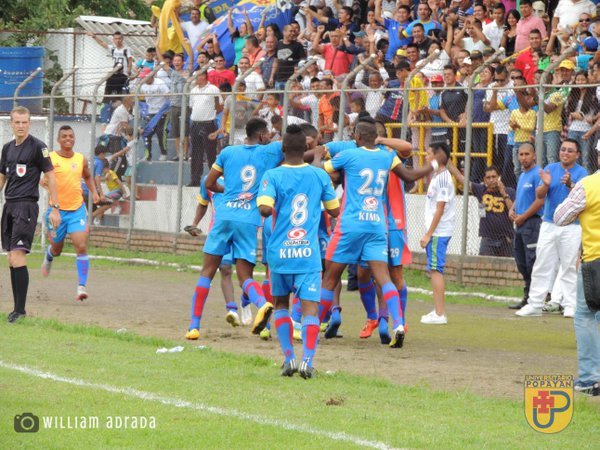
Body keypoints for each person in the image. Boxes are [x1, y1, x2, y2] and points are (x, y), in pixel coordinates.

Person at [320, 119, 433, 348]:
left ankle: (311, 323)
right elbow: (409, 177)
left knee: (330, 277)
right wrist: (432, 166)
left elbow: (324, 171)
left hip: (350, 225)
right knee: (384, 277)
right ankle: (398, 323)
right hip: (377, 224)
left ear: (358, 136)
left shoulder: (349, 155)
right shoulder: (387, 157)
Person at [185, 118, 283, 340]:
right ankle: (262, 303)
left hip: (224, 216)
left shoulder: (228, 152)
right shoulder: (271, 152)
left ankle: (194, 325)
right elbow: (298, 147)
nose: (269, 137)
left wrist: (229, 190)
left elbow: (209, 184)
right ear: (260, 136)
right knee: (245, 276)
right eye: (267, 134)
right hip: (248, 220)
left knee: (207, 273)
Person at [257, 125, 340, 378]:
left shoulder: (272, 175)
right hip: (308, 254)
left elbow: (263, 209)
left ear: (282, 148)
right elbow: (334, 210)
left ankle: (289, 359)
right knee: (310, 310)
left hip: (280, 253)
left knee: (281, 304)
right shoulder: (319, 176)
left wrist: (272, 205)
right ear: (307, 147)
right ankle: (308, 360)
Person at [516, 138, 588, 318]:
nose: (565, 153)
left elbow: (582, 199)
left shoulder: (582, 173)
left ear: (577, 155)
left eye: (570, 150)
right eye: (563, 149)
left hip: (572, 226)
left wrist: (570, 184)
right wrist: (546, 184)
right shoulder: (551, 169)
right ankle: (535, 303)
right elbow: (539, 195)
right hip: (548, 223)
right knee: (542, 263)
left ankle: (570, 305)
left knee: (569, 266)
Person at [1, 107, 60, 323]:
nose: (21, 125)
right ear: (11, 124)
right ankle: (16, 309)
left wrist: (55, 206)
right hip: (9, 206)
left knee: (18, 255)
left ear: (30, 123)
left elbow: (51, 177)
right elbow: (2, 178)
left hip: (26, 206)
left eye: (24, 122)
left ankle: (20, 311)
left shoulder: (38, 147)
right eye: (17, 122)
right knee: (11, 257)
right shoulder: (6, 149)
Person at [553, 145, 600, 397]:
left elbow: (560, 217)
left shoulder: (588, 185)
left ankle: (590, 378)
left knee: (586, 316)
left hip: (595, 260)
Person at [40, 125, 100, 301]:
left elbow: (88, 176)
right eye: (64, 136)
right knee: (57, 248)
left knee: (81, 245)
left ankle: (81, 287)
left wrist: (95, 192)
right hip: (56, 212)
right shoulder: (50, 158)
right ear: (59, 140)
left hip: (76, 211)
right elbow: (42, 178)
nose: (68, 139)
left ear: (74, 139)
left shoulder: (81, 159)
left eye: (71, 136)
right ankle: (50, 255)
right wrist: (44, 184)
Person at [186, 176, 252, 327]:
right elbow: (203, 204)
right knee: (225, 268)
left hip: (243, 229)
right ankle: (232, 309)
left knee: (246, 275)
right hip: (221, 230)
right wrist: (194, 223)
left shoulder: (245, 176)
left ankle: (246, 301)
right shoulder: (209, 180)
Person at [420, 143, 456, 325]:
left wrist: (428, 234)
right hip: (438, 231)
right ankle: (438, 310)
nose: (426, 157)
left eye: (429, 154)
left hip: (439, 232)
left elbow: (440, 208)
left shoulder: (442, 178)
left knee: (436, 269)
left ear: (437, 156)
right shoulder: (437, 176)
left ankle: (440, 313)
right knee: (435, 268)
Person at [448, 163, 515, 257]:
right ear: (484, 180)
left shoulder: (510, 191)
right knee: (484, 265)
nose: (491, 180)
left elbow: (513, 212)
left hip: (506, 238)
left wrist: (503, 193)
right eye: (488, 177)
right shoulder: (481, 190)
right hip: (487, 238)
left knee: (509, 267)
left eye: (494, 177)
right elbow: (461, 178)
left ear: (499, 177)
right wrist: (447, 160)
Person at [508, 143, 544, 310]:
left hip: (532, 223)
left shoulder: (538, 174)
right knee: (521, 261)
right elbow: (520, 196)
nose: (523, 157)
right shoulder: (522, 175)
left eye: (526, 154)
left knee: (532, 261)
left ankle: (535, 298)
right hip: (520, 224)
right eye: (521, 154)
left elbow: (540, 200)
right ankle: (528, 296)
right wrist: (512, 209)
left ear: (534, 155)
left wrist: (524, 216)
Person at [188, 71, 222, 187]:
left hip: (208, 123)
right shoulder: (193, 90)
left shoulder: (213, 89)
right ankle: (195, 179)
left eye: (199, 75)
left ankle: (215, 179)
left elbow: (219, 105)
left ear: (204, 76)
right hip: (195, 123)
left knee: (211, 152)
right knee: (196, 152)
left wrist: (210, 115)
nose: (197, 78)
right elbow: (192, 106)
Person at [139, 70, 170, 161]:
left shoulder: (159, 83)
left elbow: (169, 95)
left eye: (145, 77)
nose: (144, 79)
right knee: (146, 133)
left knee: (161, 132)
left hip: (161, 112)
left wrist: (167, 109)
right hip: (150, 112)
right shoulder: (143, 85)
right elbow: (140, 98)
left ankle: (163, 153)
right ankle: (148, 155)